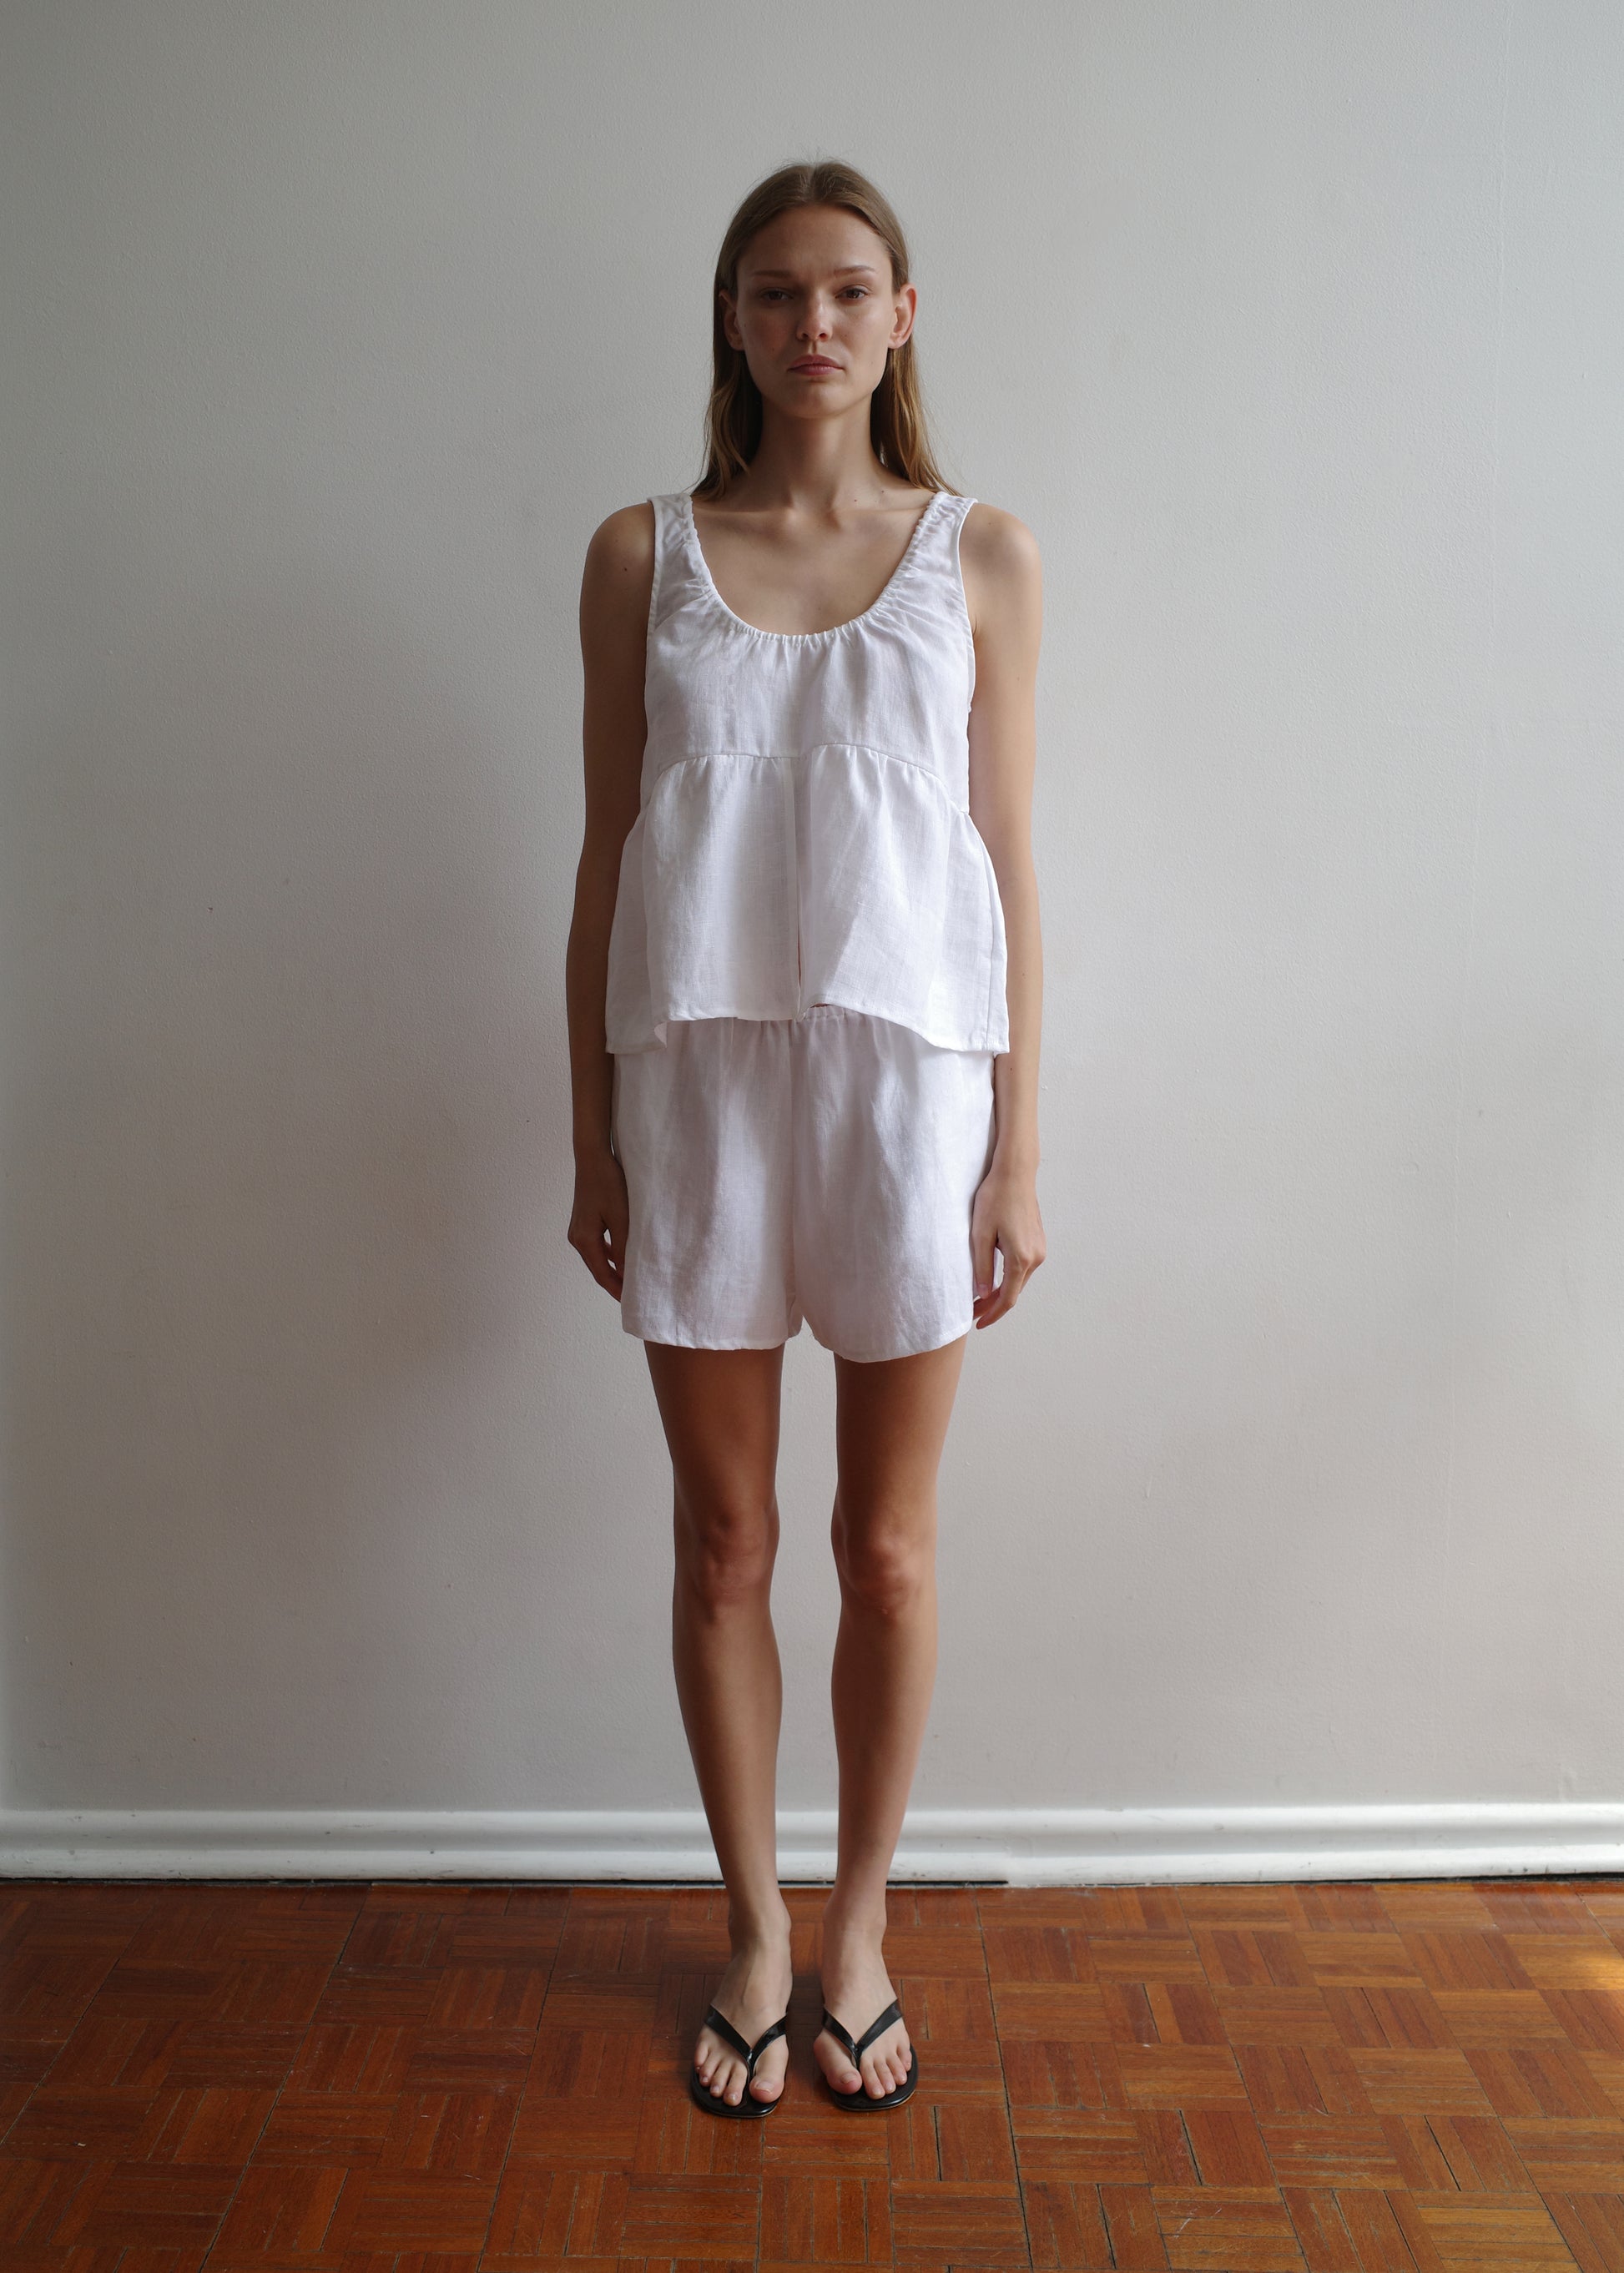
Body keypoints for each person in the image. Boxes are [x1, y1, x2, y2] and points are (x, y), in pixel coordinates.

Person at [564, 159, 1045, 2118]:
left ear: (902, 315)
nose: (813, 325)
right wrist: (589, 1129)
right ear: (734, 324)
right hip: (695, 1082)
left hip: (905, 1084)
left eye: (848, 290)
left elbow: (1007, 865)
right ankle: (754, 1921)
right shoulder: (639, 554)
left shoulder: (983, 555)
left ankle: (858, 1922)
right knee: (726, 1539)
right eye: (774, 294)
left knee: (889, 1548)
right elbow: (604, 856)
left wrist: (1017, 1147)